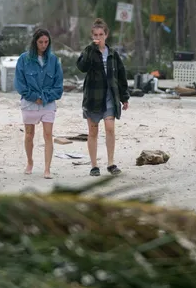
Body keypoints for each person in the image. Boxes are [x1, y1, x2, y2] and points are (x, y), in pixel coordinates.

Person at [76, 18, 129, 176]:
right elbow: (82, 67)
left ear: (106, 35)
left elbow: (121, 76)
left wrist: (124, 97)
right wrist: (91, 49)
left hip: (110, 96)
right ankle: (94, 165)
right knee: (93, 131)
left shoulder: (113, 54)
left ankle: (111, 163)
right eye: (95, 35)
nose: (98, 37)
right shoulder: (88, 51)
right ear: (92, 36)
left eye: (101, 34)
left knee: (110, 129)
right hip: (93, 97)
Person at [14, 28, 63, 179]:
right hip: (29, 103)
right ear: (35, 42)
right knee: (29, 134)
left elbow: (58, 85)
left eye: (46, 42)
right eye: (41, 42)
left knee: (48, 135)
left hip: (48, 103)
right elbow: (19, 83)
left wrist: (46, 97)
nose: (44, 45)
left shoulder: (54, 60)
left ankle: (47, 169)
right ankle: (30, 161)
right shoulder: (24, 59)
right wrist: (34, 97)